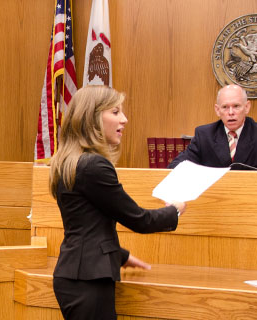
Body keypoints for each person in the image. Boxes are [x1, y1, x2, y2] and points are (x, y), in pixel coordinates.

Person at [49, 86, 186, 320]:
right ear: (91, 117)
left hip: (77, 276)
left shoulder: (70, 162)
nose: (124, 119)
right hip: (88, 281)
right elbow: (140, 220)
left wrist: (119, 256)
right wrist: (174, 210)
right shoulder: (93, 166)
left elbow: (86, 223)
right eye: (115, 112)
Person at [168, 84, 257, 171]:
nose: (231, 112)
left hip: (250, 197)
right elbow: (177, 165)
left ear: (247, 107)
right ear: (217, 110)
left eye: (236, 106)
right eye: (225, 107)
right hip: (214, 198)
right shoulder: (204, 135)